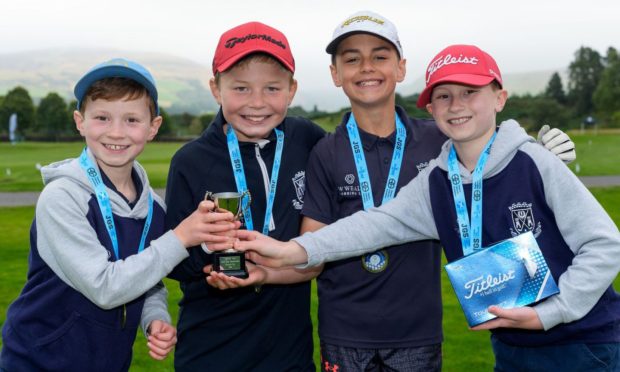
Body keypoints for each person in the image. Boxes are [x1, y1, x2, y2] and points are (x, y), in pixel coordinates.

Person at [209, 11, 577, 372]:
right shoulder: (326, 151)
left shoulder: (440, 139)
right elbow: (314, 250)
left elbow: (491, 162)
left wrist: (534, 152)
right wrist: (270, 272)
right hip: (345, 332)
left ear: (401, 68)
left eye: (380, 56)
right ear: (335, 74)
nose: (366, 67)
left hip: (418, 331)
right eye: (352, 59)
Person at [0, 58, 238, 371]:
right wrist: (180, 236)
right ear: (79, 121)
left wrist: (155, 319)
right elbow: (105, 287)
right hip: (39, 361)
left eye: (131, 120)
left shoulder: (153, 206)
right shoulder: (62, 198)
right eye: (101, 117)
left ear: (153, 128)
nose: (116, 132)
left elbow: (149, 277)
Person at [164, 22, 325, 371]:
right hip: (210, 352)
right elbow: (173, 264)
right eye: (240, 88)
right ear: (215, 89)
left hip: (289, 354)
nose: (257, 103)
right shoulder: (190, 162)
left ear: (292, 90)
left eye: (271, 88)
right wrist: (207, 245)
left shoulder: (307, 139)